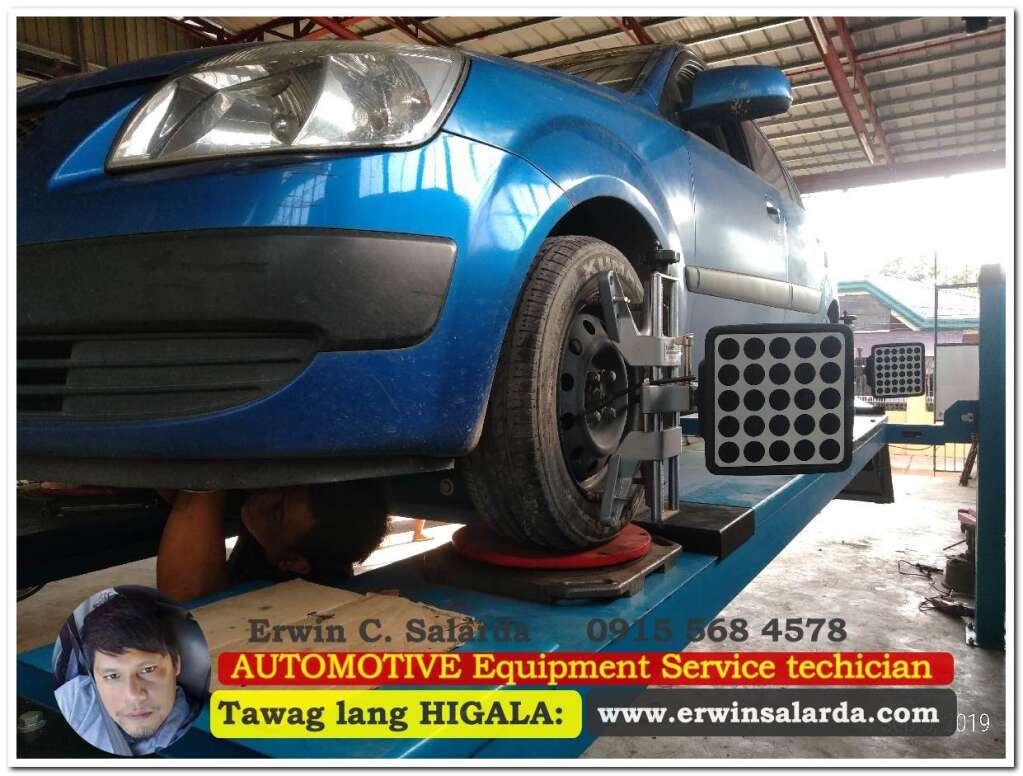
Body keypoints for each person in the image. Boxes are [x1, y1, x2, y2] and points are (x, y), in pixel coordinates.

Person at [156, 482, 389, 603]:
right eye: (282, 489)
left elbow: (186, 598)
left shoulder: (290, 594)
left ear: (291, 562)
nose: (263, 499)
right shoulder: (285, 529)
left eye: (277, 512)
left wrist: (208, 480)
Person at [55, 592, 192, 756]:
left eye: (148, 670)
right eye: (112, 676)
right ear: (94, 679)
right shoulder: (75, 702)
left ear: (175, 664)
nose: (133, 695)